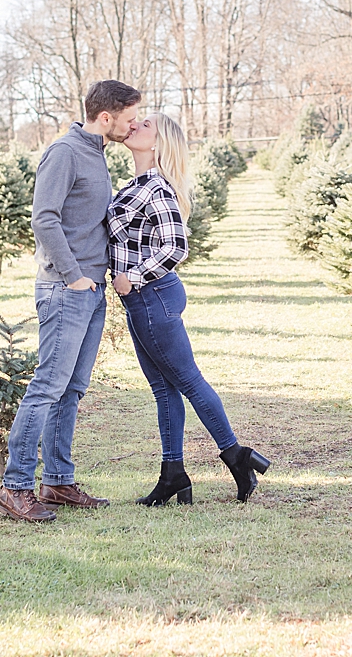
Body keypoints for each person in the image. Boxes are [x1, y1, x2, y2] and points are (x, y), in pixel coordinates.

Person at [0, 79, 140, 522]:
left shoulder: (96, 153)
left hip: (91, 290)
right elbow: (44, 218)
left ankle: (57, 481)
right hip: (66, 289)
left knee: (71, 391)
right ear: (105, 118)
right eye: (130, 119)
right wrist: (74, 277)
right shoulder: (64, 152)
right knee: (46, 388)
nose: (133, 127)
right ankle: (15, 487)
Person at [109, 112, 270, 505]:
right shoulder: (136, 183)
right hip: (144, 299)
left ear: (159, 143)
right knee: (165, 389)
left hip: (152, 296)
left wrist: (134, 276)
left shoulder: (156, 189)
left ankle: (237, 456)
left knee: (187, 381)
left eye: (144, 125)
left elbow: (176, 246)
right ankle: (173, 474)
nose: (134, 126)